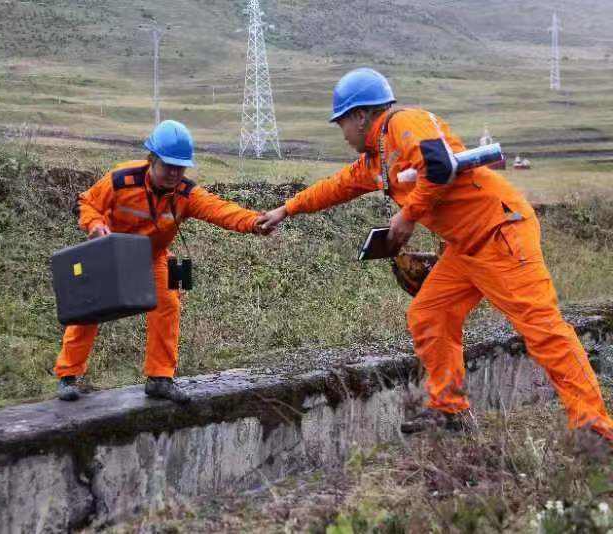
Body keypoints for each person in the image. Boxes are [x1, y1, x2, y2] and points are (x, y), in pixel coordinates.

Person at [256, 68, 613, 439]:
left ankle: (595, 428)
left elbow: (439, 165)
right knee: (430, 314)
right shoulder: (376, 159)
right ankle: (449, 409)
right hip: (464, 247)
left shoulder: (404, 123)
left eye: (341, 123)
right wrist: (287, 209)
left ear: (360, 116)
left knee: (543, 330)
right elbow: (336, 186)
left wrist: (408, 215)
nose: (342, 134)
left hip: (500, 232)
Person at [56, 120, 270, 403]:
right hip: (110, 255)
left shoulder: (186, 194)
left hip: (153, 257)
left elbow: (221, 210)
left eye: (180, 168)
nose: (173, 173)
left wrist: (255, 222)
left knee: (168, 303)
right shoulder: (121, 180)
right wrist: (94, 225)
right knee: (89, 308)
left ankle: (159, 378)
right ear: (152, 159)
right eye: (168, 166)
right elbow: (87, 203)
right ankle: (68, 376)